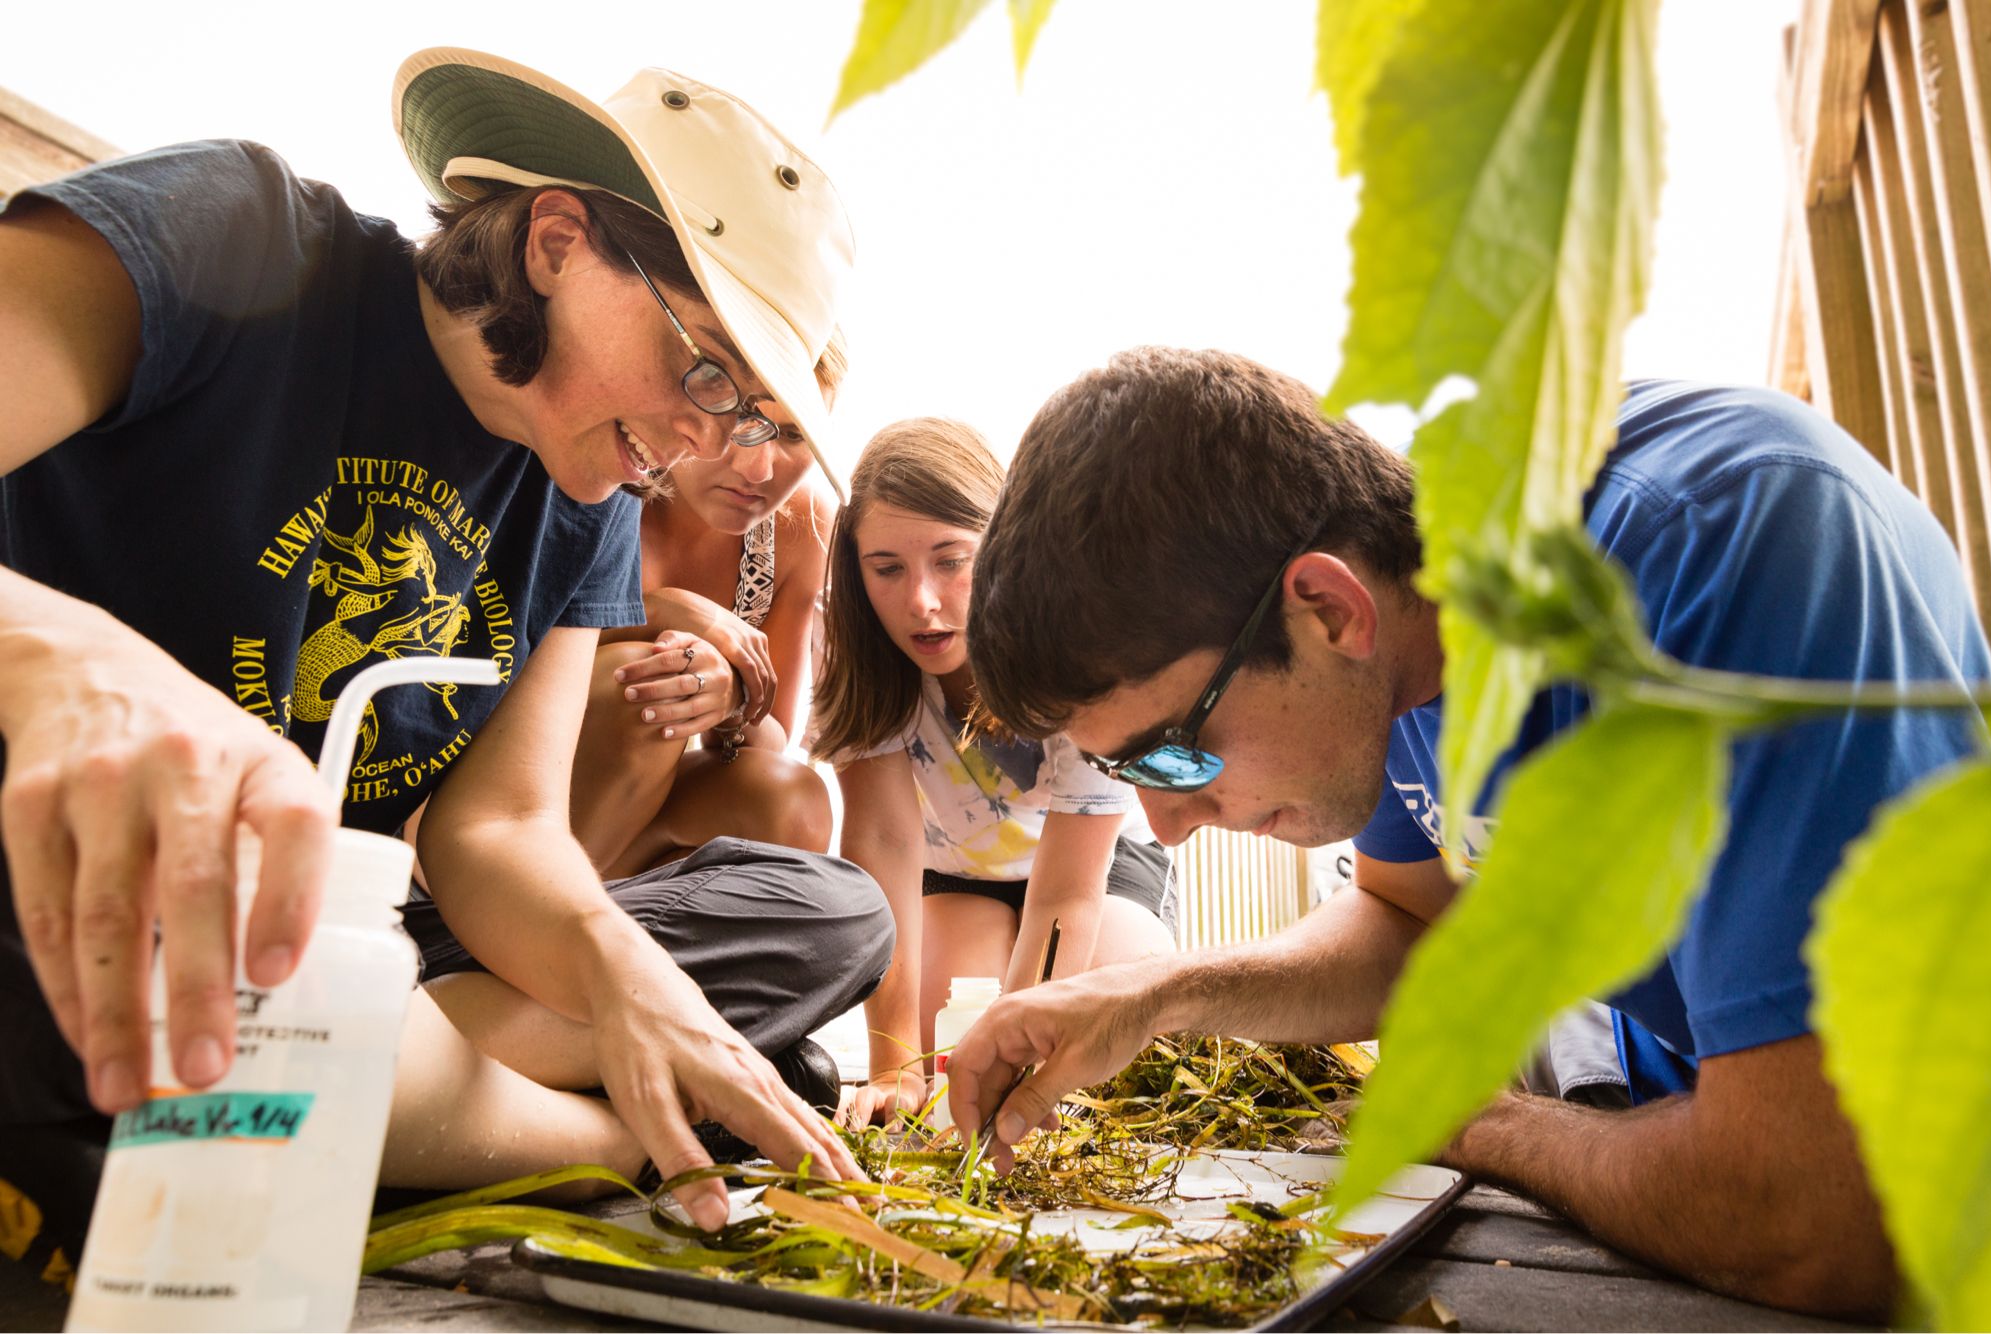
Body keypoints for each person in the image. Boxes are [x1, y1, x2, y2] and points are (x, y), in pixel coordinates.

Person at [0, 46, 889, 1268]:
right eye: (706, 369)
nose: (703, 438)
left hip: (318, 935)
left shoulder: (591, 499)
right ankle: (589, 1137)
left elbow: (499, 832)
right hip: (66, 886)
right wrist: (68, 659)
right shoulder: (232, 237)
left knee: (824, 910)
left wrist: (625, 980)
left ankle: (292, 1101)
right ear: (557, 243)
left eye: (744, 411)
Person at [941, 348, 1991, 1320]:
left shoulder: (1727, 543)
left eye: (1172, 751)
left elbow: (1816, 1220)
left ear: (1326, 609)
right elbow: (1410, 921)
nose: (1164, 827)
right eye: (1127, 775)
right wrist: (1155, 995)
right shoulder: (1400, 651)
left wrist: (1470, 1121)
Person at [809, 418, 1178, 1128]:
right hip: (956, 874)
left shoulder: (1077, 644)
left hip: (1096, 873)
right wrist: (894, 1068)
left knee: (1104, 1044)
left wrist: (1019, 1067)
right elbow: (884, 845)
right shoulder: (852, 644)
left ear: (1004, 546)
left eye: (951, 561)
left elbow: (1066, 895)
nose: (920, 601)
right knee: (953, 1044)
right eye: (887, 569)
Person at [567, 332, 846, 880]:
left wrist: (732, 698)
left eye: (792, 434)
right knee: (666, 669)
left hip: (632, 820)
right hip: (511, 782)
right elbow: (515, 644)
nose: (759, 469)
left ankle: (602, 905)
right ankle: (523, 911)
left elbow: (771, 739)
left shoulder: (798, 528)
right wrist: (672, 613)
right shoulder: (609, 468)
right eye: (744, 418)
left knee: (795, 804)